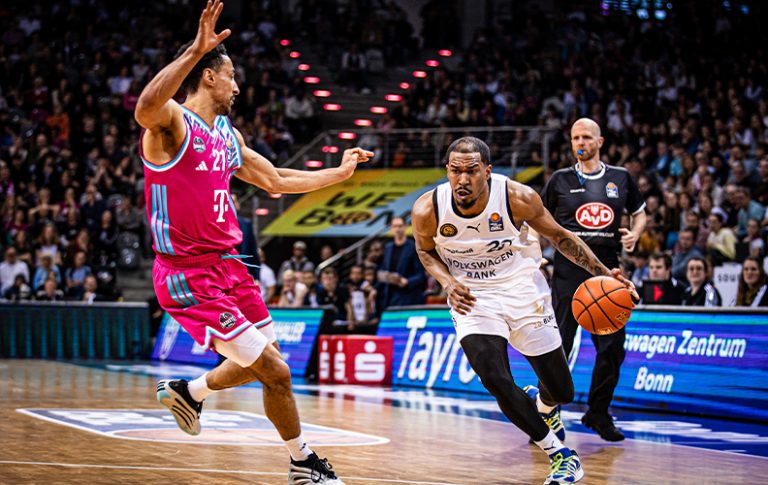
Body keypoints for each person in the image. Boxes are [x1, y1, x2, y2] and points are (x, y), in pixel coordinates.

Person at [134, 3, 371, 482]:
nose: (237, 86)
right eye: (230, 75)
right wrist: (196, 51)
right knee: (277, 374)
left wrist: (339, 173)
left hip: (230, 268)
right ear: (207, 78)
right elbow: (144, 107)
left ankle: (191, 391)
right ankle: (304, 463)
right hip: (187, 273)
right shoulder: (172, 124)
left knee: (271, 364)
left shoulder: (226, 135)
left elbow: (278, 179)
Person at [411, 136, 637, 485]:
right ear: (447, 171)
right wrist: (447, 282)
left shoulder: (518, 197)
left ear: (487, 171)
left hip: (522, 288)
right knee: (495, 378)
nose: (463, 180)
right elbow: (425, 251)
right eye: (455, 171)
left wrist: (608, 276)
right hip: (474, 297)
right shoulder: (428, 209)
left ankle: (545, 406)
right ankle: (560, 455)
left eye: (471, 171)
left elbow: (561, 237)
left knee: (562, 391)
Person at [541, 118, 646, 442]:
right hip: (568, 270)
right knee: (558, 347)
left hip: (607, 270)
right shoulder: (559, 180)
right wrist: (536, 252)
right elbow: (535, 219)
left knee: (613, 348)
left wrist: (635, 234)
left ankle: (598, 412)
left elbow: (640, 212)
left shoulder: (621, 177)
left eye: (586, 136)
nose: (580, 142)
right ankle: (546, 412)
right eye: (575, 137)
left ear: (600, 141)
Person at [377, 216, 426, 308]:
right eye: (395, 226)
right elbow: (383, 268)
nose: (397, 229)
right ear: (391, 228)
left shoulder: (413, 247)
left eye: (400, 226)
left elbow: (420, 275)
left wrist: (407, 281)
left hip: (408, 295)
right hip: (389, 295)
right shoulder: (388, 247)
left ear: (405, 227)